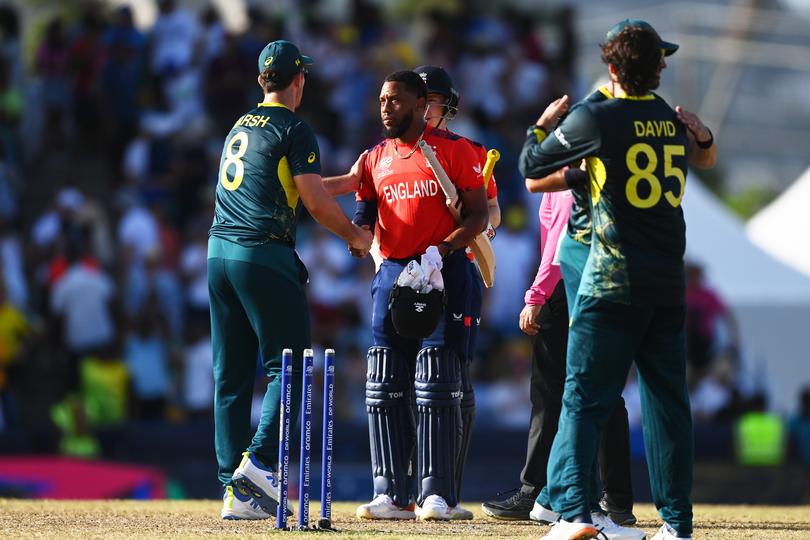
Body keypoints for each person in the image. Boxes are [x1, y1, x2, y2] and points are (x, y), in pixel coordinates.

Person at [518, 19, 716, 540]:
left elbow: (530, 165)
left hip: (612, 277)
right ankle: (677, 525)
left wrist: (541, 126)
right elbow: (703, 155)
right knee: (669, 404)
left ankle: (574, 514)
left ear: (610, 67)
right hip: (668, 284)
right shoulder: (671, 121)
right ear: (659, 67)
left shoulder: (597, 117)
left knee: (583, 395)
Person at [207, 39, 372, 521]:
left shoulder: (242, 124)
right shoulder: (295, 127)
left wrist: (350, 180)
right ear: (298, 80)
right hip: (262, 252)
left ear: (263, 81)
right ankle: (257, 463)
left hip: (219, 252)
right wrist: (356, 236)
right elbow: (316, 205)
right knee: (293, 365)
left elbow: (302, 188)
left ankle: (233, 487)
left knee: (231, 374)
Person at [351, 70, 488, 521]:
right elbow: (364, 218)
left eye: (394, 99)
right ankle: (389, 492)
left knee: (437, 382)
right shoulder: (374, 158)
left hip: (443, 270)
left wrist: (443, 248)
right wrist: (355, 237)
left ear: (416, 104)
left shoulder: (456, 150)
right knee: (384, 382)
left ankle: (437, 494)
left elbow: (479, 216)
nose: (385, 106)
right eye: (381, 99)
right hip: (392, 273)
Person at [415, 64, 500, 520]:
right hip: (408, 272)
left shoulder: (469, 150)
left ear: (445, 104)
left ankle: (447, 485)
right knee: (402, 379)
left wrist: (464, 215)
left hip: (457, 270)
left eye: (428, 100)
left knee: (453, 379)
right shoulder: (394, 150)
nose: (421, 108)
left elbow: (493, 216)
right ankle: (405, 485)